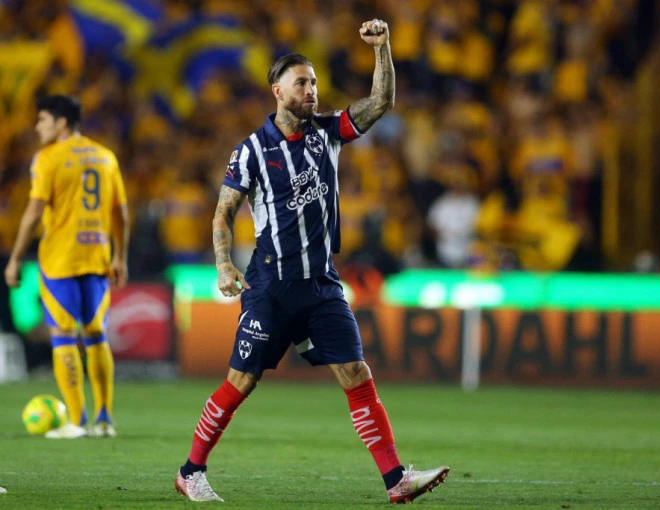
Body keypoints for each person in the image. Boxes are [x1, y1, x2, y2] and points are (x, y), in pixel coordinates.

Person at [174, 20, 449, 504]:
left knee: (356, 374)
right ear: (277, 91)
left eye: (315, 82)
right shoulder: (251, 151)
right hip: (271, 285)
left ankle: (396, 480)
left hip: (321, 285)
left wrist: (382, 48)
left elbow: (380, 102)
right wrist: (223, 264)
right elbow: (223, 213)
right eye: (301, 83)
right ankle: (190, 472)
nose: (311, 91)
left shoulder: (328, 132)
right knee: (241, 381)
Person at [4, 95, 129, 439]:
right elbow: (120, 213)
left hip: (60, 259)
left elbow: (34, 211)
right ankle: (104, 420)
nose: (37, 127)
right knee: (96, 336)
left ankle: (76, 421)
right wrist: (120, 257)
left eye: (42, 120)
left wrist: (15, 257)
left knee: (63, 336)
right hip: (97, 257)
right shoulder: (105, 156)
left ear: (61, 122)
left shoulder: (48, 157)